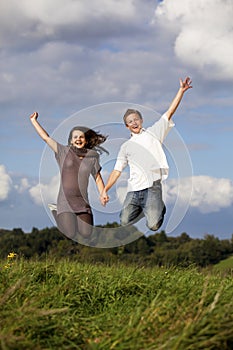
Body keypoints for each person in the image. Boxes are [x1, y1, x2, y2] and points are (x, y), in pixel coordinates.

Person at [101, 77, 192, 231]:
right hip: (134, 189)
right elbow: (117, 171)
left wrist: (181, 91)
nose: (134, 122)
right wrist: (105, 190)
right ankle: (148, 209)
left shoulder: (154, 133)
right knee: (124, 221)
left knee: (154, 225)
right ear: (127, 126)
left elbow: (169, 113)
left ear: (141, 120)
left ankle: (158, 207)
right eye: (130, 121)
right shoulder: (125, 147)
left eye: (136, 119)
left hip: (152, 187)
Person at [30, 112, 108, 241]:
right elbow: (46, 138)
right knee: (70, 234)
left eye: (81, 137)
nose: (78, 139)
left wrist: (103, 193)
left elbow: (98, 177)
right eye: (75, 137)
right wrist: (34, 121)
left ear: (86, 140)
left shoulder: (92, 156)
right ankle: (56, 211)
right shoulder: (63, 151)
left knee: (86, 233)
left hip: (82, 201)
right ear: (71, 140)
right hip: (65, 200)